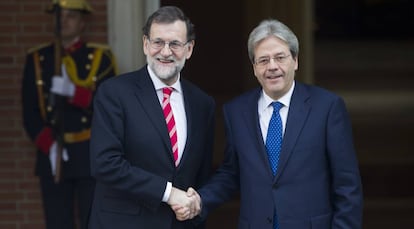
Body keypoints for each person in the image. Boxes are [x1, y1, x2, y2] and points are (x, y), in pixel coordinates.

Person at [177, 19, 364, 228]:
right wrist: (200, 200)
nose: (272, 66)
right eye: (263, 60)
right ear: (254, 67)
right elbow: (231, 174)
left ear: (295, 61)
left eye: (280, 57)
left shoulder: (327, 107)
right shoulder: (236, 112)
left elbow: (347, 185)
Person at [87, 6, 215, 229]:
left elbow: (201, 174)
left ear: (189, 49)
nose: (165, 52)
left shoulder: (203, 104)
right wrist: (169, 193)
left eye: (175, 44)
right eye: (158, 42)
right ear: (145, 44)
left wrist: (196, 203)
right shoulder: (115, 93)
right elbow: (105, 163)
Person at [21, 1, 118, 229]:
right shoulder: (38, 59)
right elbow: (29, 112)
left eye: (70, 16)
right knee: (57, 221)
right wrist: (49, 145)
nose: (63, 21)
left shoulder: (99, 57)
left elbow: (109, 107)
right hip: (54, 153)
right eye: (59, 16)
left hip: (88, 151)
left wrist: (74, 92)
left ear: (83, 22)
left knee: (92, 220)